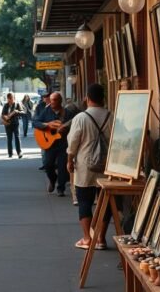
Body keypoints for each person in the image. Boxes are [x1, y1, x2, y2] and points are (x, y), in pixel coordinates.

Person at [67, 84, 112, 250]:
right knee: (105, 202)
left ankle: (87, 238)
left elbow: (73, 143)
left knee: (84, 201)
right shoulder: (112, 116)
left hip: (85, 165)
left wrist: (69, 160)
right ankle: (101, 238)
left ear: (87, 98)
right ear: (103, 98)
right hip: (107, 165)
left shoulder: (81, 118)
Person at [33, 92, 74, 196]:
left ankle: (61, 188)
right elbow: (35, 122)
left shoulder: (68, 113)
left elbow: (74, 126)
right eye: (51, 100)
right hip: (49, 144)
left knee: (62, 168)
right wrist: (47, 125)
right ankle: (53, 179)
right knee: (48, 165)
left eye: (54, 100)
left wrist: (66, 129)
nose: (52, 102)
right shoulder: (46, 111)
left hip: (63, 144)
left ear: (60, 101)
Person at [1, 93, 25, 158]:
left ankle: (19, 152)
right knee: (9, 139)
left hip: (15, 123)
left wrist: (17, 112)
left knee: (17, 138)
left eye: (11, 98)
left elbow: (23, 112)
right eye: (9, 98)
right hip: (7, 124)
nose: (10, 100)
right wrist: (4, 117)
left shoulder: (17, 104)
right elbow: (2, 114)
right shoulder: (6, 105)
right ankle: (10, 153)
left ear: (13, 98)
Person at [33, 93, 51, 170]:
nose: (46, 99)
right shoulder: (40, 106)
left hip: (51, 130)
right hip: (41, 129)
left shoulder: (54, 105)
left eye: (48, 98)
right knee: (43, 148)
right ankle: (45, 164)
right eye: (45, 98)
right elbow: (36, 118)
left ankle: (50, 164)